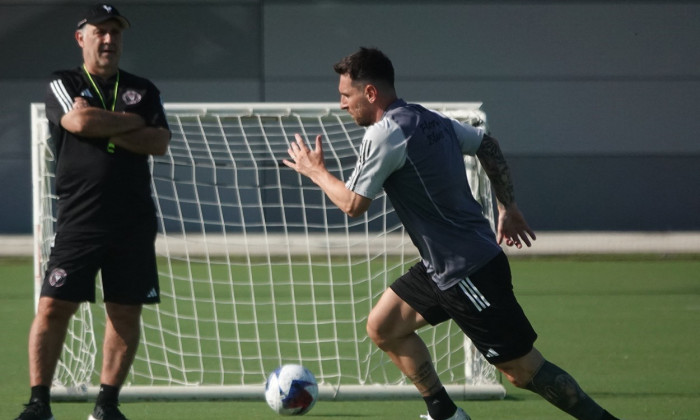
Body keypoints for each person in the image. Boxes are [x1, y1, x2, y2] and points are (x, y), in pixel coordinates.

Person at [282, 47, 620, 420]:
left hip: (467, 272)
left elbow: (353, 205)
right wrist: (507, 206)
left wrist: (315, 171)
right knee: (384, 327)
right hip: (443, 266)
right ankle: (444, 413)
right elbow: (487, 144)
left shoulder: (384, 135)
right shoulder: (427, 119)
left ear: (371, 93)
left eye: (346, 96)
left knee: (522, 371)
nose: (343, 105)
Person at [15, 4, 170, 420]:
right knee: (52, 306)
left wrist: (104, 121)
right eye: (99, 32)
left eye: (115, 33)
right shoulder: (62, 81)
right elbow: (78, 123)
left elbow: (158, 142)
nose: (108, 40)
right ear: (80, 37)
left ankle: (106, 406)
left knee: (124, 310)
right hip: (80, 219)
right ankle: (39, 404)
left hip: (133, 220)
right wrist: (128, 123)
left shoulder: (143, 88)